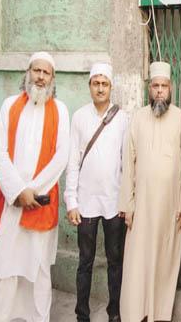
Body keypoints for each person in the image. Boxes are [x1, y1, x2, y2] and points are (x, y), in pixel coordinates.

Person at [0, 51, 70, 322]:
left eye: (45, 72)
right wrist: (18, 191)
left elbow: (62, 155)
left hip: (40, 201)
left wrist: (33, 191)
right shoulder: (10, 105)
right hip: (13, 202)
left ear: (53, 78)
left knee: (38, 267)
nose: (40, 77)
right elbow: (0, 154)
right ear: (27, 73)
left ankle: (37, 318)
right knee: (8, 264)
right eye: (35, 71)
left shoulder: (60, 110)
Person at [117, 61, 181, 322]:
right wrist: (128, 204)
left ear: (171, 89)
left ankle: (159, 313)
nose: (160, 91)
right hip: (142, 208)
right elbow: (128, 163)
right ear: (150, 89)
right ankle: (136, 314)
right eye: (156, 86)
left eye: (164, 86)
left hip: (170, 208)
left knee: (164, 262)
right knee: (137, 263)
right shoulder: (137, 118)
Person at [64, 63, 129, 322]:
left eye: (105, 84)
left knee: (115, 261)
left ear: (111, 87)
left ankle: (115, 313)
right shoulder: (79, 117)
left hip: (114, 202)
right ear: (89, 86)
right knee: (85, 262)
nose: (100, 88)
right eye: (96, 83)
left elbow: (126, 163)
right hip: (86, 202)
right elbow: (72, 162)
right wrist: (71, 201)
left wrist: (126, 200)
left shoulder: (123, 118)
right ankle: (82, 315)